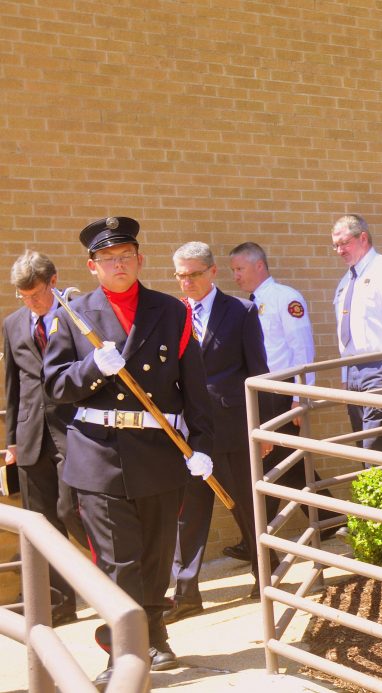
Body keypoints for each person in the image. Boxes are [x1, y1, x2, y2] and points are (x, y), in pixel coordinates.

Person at [42, 217, 214, 689]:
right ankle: (123, 650)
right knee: (119, 561)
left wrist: (201, 447)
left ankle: (154, 635)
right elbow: (55, 385)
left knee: (158, 555)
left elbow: (193, 386)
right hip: (99, 455)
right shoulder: (73, 314)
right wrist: (91, 368)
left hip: (159, 453)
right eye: (108, 259)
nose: (118, 266)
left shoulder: (171, 311)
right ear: (92, 266)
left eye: (126, 257)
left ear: (139, 259)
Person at [165, 241, 271, 620]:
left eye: (194, 274)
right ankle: (187, 593)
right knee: (189, 513)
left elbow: (258, 371)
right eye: (180, 276)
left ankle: (265, 576)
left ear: (212, 272)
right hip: (188, 433)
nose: (187, 282)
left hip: (231, 426)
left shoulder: (240, 312)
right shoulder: (172, 314)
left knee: (246, 504)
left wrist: (263, 429)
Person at [224, 242, 341, 562]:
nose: (235, 276)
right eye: (233, 270)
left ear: (259, 266)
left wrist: (300, 397)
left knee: (268, 465)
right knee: (286, 465)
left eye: (240, 269)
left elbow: (301, 348)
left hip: (281, 392)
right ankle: (330, 518)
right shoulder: (245, 304)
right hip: (262, 392)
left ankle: (257, 540)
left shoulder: (284, 298)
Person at [3, 250, 87, 626]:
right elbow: (13, 386)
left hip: (73, 429)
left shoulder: (76, 315)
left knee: (72, 509)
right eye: (24, 296)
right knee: (42, 521)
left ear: (53, 282)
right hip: (30, 433)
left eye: (36, 294)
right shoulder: (13, 323)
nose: (32, 303)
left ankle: (117, 577)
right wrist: (10, 440)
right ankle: (58, 602)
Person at [330, 214, 382, 455]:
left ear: (363, 238)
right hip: (355, 371)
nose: (339, 250)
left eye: (344, 243)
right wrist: (345, 374)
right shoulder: (345, 282)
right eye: (335, 245)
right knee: (365, 449)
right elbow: (345, 333)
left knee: (375, 449)